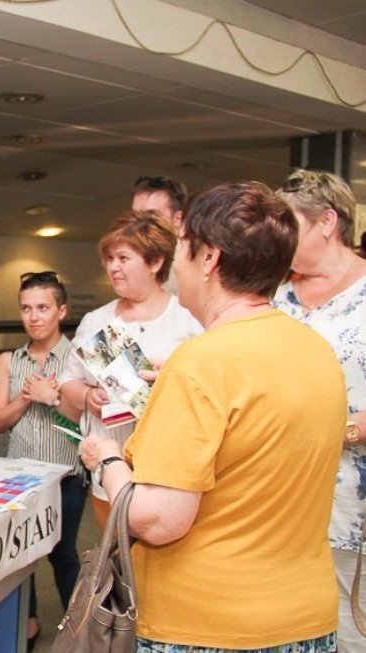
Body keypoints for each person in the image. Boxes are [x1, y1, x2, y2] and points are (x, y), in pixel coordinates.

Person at [80, 181, 346, 651]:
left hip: (209, 624)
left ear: (210, 259)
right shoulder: (315, 349)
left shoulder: (201, 363)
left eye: (182, 248)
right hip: (305, 617)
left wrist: (106, 459)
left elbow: (158, 520)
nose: (176, 263)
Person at [273, 168, 366, 651]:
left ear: (328, 222)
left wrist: (338, 431)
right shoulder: (275, 294)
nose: (279, 238)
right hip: (279, 508)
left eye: (291, 225)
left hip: (352, 509)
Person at [59, 211, 201, 528]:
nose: (113, 267)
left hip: (169, 469)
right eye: (109, 258)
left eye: (123, 257)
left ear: (155, 262)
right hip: (108, 465)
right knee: (116, 556)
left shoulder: (188, 318)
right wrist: (87, 396)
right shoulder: (96, 321)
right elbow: (67, 381)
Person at [0, 271, 84, 648]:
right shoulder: (8, 360)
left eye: (43, 308)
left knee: (63, 555)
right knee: (20, 556)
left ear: (61, 310)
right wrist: (28, 396)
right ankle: (26, 622)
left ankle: (81, 629)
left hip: (66, 477)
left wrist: (54, 399)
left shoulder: (77, 359)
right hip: (19, 478)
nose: (34, 317)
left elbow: (86, 423)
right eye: (26, 308)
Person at [132, 175, 188, 294]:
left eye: (152, 215)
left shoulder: (194, 261)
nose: (140, 223)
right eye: (136, 215)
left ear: (178, 218)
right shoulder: (131, 258)